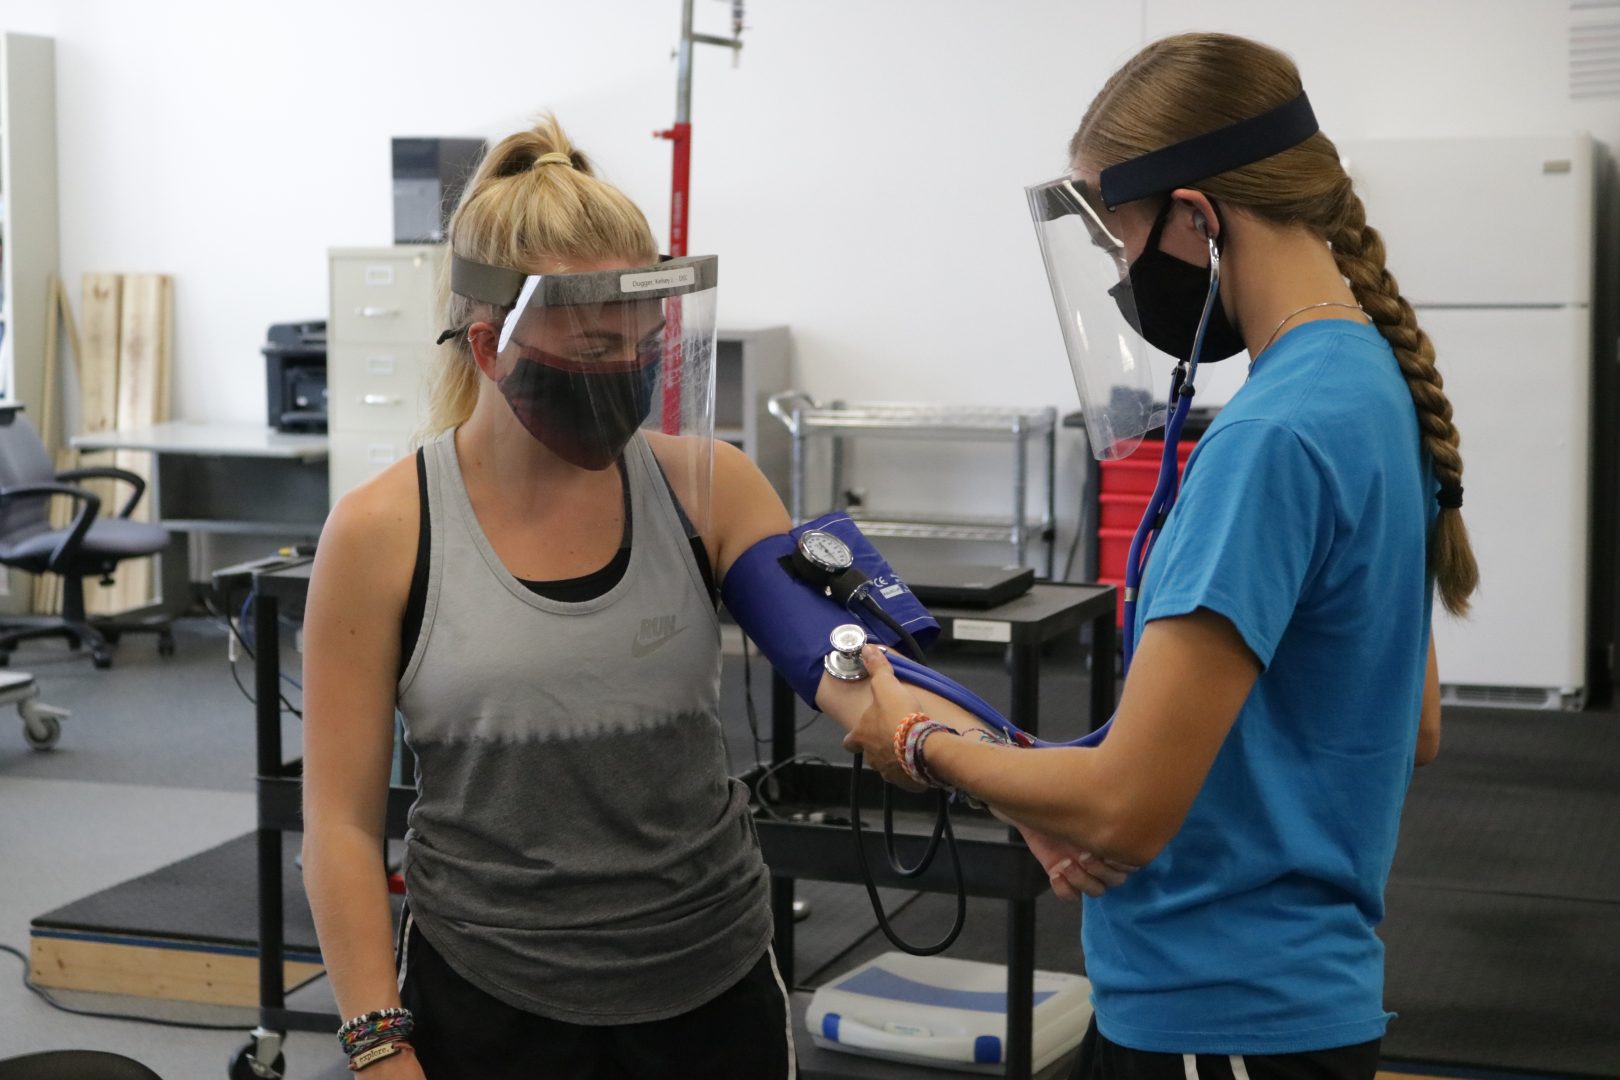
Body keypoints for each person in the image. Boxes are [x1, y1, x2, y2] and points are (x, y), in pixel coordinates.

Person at [829, 32, 1463, 1080]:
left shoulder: (1269, 440)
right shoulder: (1365, 384)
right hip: (1298, 1005)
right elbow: (1415, 723)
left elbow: (1127, 807)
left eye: (1117, 237)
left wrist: (918, 741)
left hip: (1213, 1015)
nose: (1120, 274)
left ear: (1198, 221)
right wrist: (1046, 778)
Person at [300, 116, 800, 1079]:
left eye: (641, 342)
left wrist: (944, 743)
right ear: (491, 347)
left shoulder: (711, 488)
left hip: (711, 983)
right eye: (594, 345)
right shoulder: (382, 533)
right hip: (492, 999)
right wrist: (375, 1042)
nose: (626, 372)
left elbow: (839, 660)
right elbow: (341, 824)